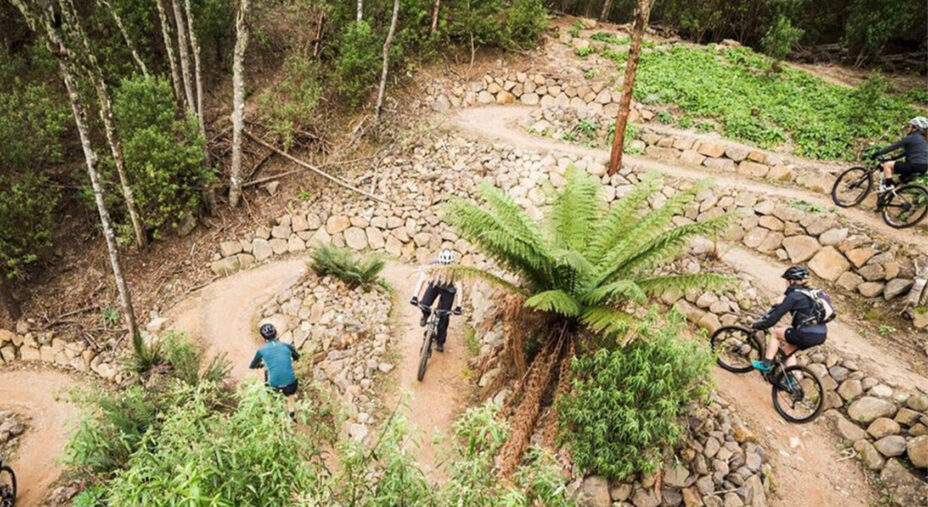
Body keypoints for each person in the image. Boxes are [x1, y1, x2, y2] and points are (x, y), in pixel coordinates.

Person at [750, 266, 828, 377]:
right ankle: (790, 380)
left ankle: (766, 364)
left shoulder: (794, 296)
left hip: (806, 333)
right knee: (787, 352)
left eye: (786, 280)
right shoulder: (814, 293)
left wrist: (759, 325)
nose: (785, 283)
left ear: (792, 281)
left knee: (775, 333)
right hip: (821, 334)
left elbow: (773, 319)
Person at [409, 249, 463, 353]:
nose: (445, 268)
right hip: (435, 285)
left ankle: (440, 342)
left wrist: (459, 306)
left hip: (449, 291)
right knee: (424, 304)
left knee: (444, 316)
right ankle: (425, 315)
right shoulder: (433, 265)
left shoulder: (456, 271)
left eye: (448, 266)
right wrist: (415, 296)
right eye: (443, 265)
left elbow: (459, 288)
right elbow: (422, 280)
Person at [249, 323, 300, 418]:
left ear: (263, 338)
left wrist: (261, 365)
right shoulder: (286, 345)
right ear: (276, 333)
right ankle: (292, 412)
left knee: (268, 379)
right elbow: (297, 357)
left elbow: (252, 365)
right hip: (291, 385)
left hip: (274, 386)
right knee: (290, 393)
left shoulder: (261, 350)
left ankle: (271, 409)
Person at [872, 116, 928, 187]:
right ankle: (891, 193)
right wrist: (895, 158)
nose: (908, 128)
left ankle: (888, 187)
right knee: (894, 178)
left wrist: (878, 153)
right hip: (924, 167)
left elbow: (893, 147)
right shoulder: (924, 140)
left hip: (913, 165)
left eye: (909, 126)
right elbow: (909, 152)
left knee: (887, 165)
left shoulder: (911, 137)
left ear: (915, 128)